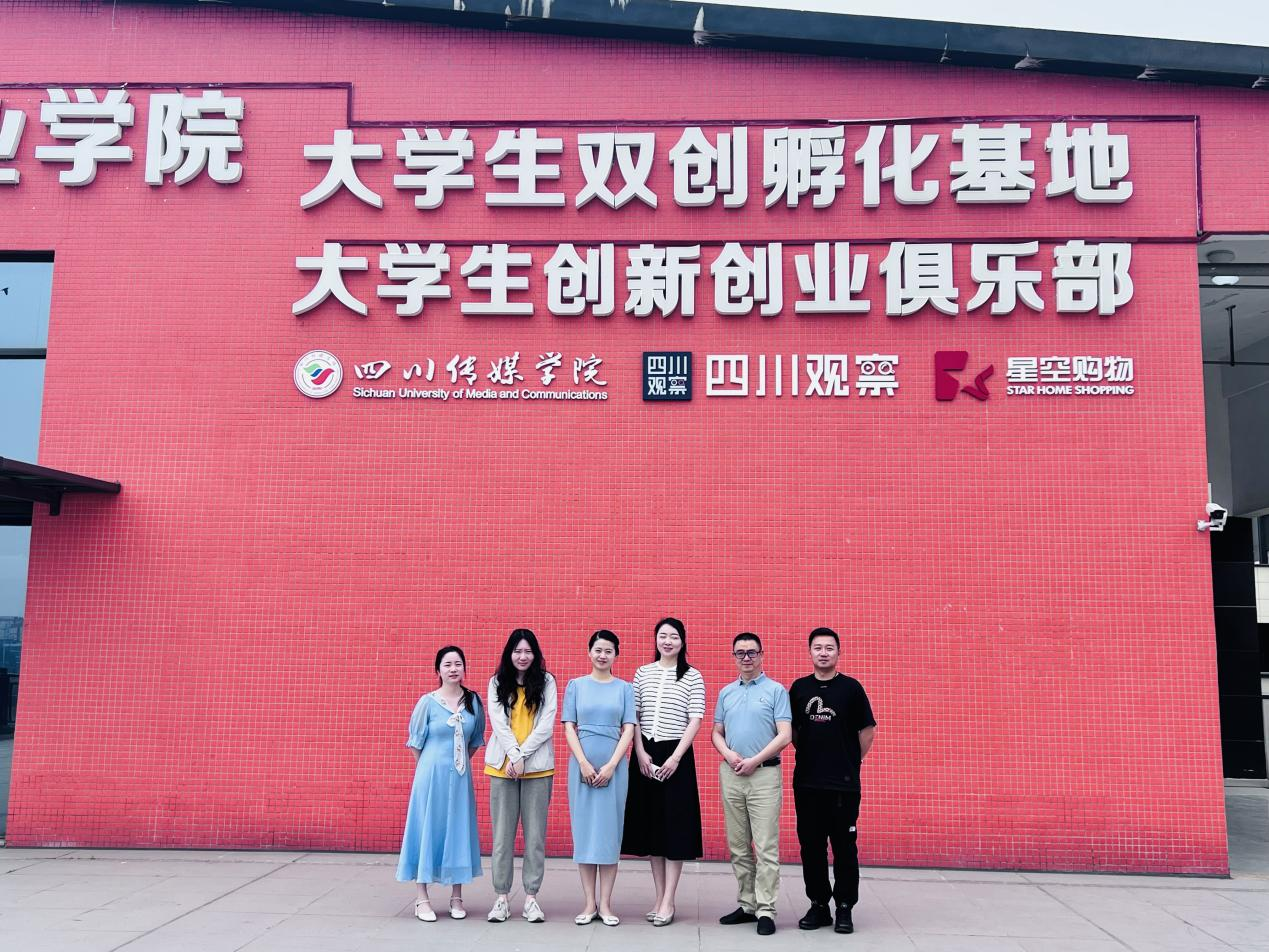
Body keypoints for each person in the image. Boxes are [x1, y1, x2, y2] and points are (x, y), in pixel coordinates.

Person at [790, 627, 876, 935]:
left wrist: (850, 761)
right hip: (808, 783)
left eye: (829, 648)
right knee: (811, 847)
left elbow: (867, 731)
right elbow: (793, 733)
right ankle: (819, 905)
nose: (823, 652)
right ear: (810, 652)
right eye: (818, 647)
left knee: (844, 847)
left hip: (843, 786)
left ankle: (844, 907)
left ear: (839, 653)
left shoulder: (851, 689)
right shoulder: (799, 689)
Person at [622, 617, 706, 927]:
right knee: (652, 828)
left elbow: (695, 719)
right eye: (662, 636)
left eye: (673, 636)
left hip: (676, 756)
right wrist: (639, 752)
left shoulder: (693, 676)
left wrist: (675, 758)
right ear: (655, 639)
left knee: (675, 829)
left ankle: (669, 900)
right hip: (645, 753)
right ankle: (658, 898)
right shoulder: (642, 673)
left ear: (683, 642)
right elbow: (634, 716)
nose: (667, 641)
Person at [397, 645, 486, 922]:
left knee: (458, 829)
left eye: (458, 664)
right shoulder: (427, 702)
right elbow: (416, 743)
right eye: (447, 665)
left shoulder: (473, 701)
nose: (453, 669)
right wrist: (432, 765)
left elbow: (475, 740)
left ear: (464, 668)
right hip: (430, 776)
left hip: (460, 779)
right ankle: (422, 898)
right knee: (426, 828)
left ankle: (456, 897)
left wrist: (457, 762)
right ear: (438, 670)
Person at [712, 632, 792, 936]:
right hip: (732, 774)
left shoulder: (775, 691)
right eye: (740, 653)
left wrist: (754, 760)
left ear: (761, 655)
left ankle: (766, 909)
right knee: (738, 845)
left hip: (764, 775)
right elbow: (716, 731)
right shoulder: (726, 693)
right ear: (734, 656)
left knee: (766, 846)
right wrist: (729, 754)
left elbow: (784, 735)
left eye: (752, 652)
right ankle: (747, 904)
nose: (746, 657)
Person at [562, 629, 636, 927]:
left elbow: (629, 728)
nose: (602, 655)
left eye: (608, 651)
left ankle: (605, 904)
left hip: (613, 768)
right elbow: (569, 726)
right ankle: (589, 903)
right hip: (581, 767)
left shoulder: (625, 688)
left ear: (616, 655)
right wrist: (583, 762)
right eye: (598, 650)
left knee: (608, 834)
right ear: (589, 652)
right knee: (584, 834)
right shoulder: (576, 686)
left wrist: (611, 765)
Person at [484, 628, 558, 924]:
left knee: (535, 837)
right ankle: (501, 898)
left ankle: (531, 898)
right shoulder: (496, 682)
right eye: (518, 651)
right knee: (502, 837)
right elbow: (498, 723)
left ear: (535, 654)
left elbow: (547, 724)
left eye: (528, 651)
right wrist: (514, 757)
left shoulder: (547, 682)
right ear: (509, 654)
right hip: (503, 767)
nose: (523, 656)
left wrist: (522, 756)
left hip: (537, 768)